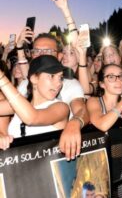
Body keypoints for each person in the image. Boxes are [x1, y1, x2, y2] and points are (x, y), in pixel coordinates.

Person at [12, 29, 88, 161]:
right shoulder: (25, 84)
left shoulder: (70, 84)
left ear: (59, 56)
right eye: (36, 51)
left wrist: (74, 123)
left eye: (47, 51)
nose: (40, 55)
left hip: (51, 160)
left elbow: (82, 109)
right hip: (19, 161)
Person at [0, 55, 70, 148]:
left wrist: (1, 78)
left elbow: (32, 118)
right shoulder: (20, 105)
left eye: (60, 78)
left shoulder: (61, 107)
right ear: (34, 78)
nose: (58, 84)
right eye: (52, 76)